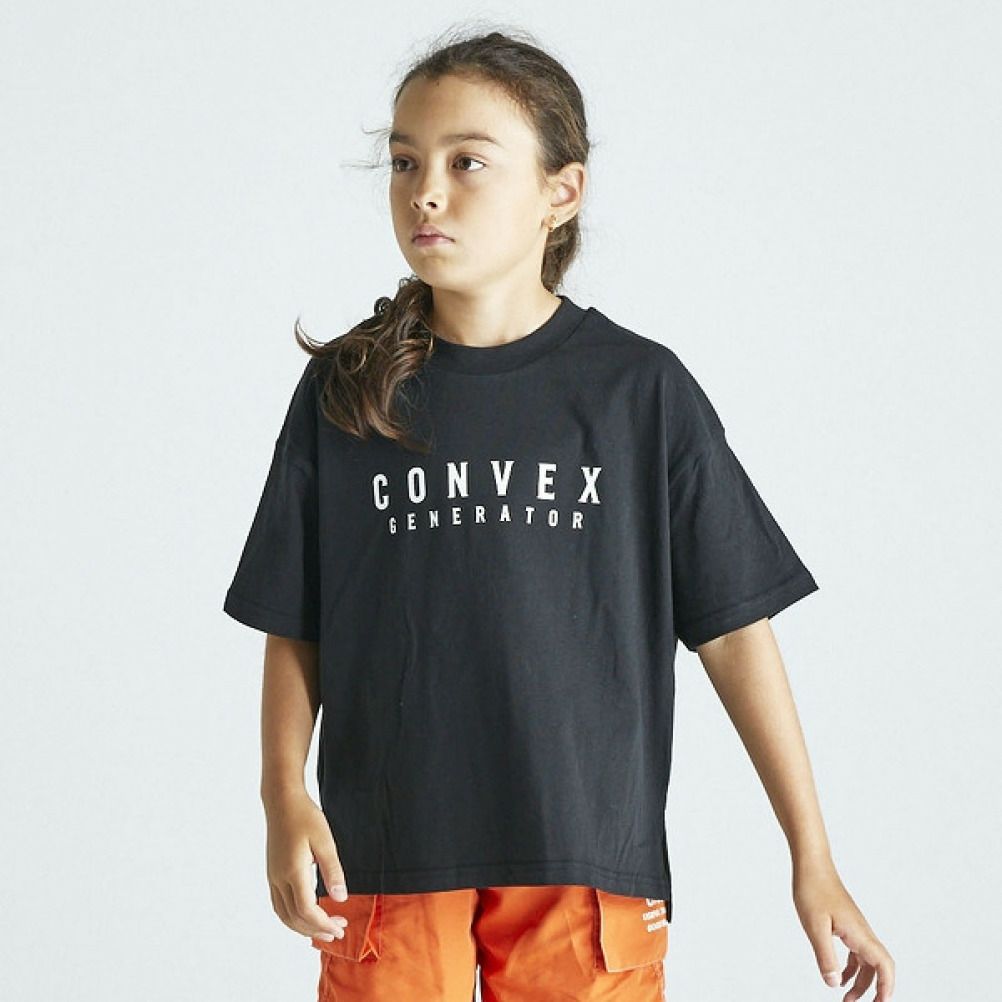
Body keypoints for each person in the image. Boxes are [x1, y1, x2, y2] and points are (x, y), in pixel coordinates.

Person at [222, 26, 895, 1002]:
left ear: (561, 192)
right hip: (387, 856)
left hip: (587, 863)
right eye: (406, 162)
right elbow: (296, 623)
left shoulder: (639, 393)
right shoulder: (348, 393)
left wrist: (813, 858)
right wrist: (281, 794)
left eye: (467, 162)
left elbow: (734, 631)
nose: (426, 192)